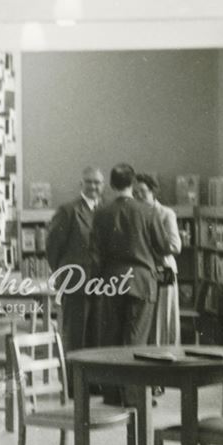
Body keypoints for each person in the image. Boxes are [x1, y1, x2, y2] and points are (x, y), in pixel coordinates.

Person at [90, 164, 173, 403]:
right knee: (136, 338)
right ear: (132, 183)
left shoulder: (101, 213)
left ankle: (113, 394)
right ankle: (133, 395)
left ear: (112, 184)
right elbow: (163, 246)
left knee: (111, 337)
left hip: (111, 281)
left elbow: (95, 253)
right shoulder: (147, 211)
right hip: (142, 282)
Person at [46, 167, 104, 354]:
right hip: (76, 284)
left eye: (97, 182)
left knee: (98, 337)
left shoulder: (106, 210)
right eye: (89, 182)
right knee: (75, 338)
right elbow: (53, 247)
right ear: (81, 184)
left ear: (103, 186)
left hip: (104, 285)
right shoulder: (68, 211)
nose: (93, 186)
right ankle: (73, 382)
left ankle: (96, 383)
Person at [134, 173, 181, 345]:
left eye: (142, 192)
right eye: (135, 192)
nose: (138, 196)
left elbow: (175, 246)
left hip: (163, 271)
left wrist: (148, 248)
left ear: (153, 192)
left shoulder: (166, 214)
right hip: (143, 273)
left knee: (162, 317)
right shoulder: (135, 214)